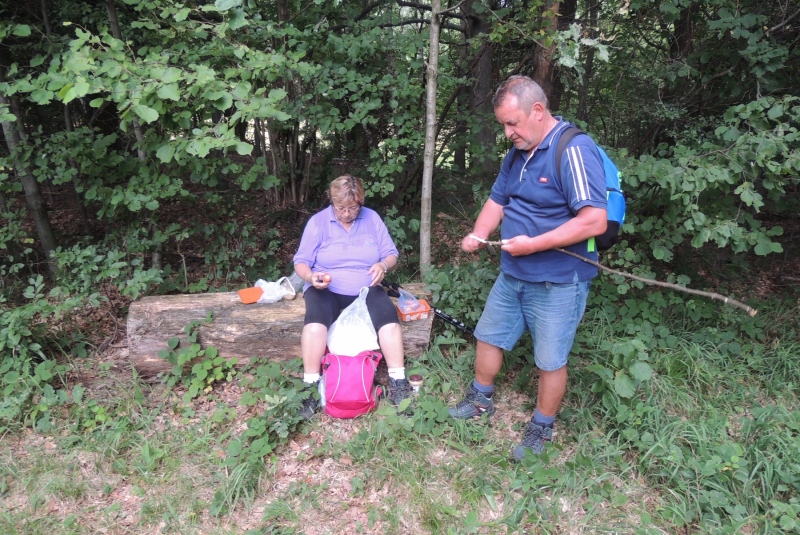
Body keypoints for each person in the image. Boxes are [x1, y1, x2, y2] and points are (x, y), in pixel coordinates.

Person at [449, 75, 608, 460]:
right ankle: (480, 401)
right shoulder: (519, 152)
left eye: (513, 123)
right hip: (513, 274)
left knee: (550, 360)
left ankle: (541, 428)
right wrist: (478, 232)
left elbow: (594, 221)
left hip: (558, 281)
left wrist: (533, 244)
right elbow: (497, 199)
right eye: (503, 124)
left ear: (538, 111)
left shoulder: (573, 150)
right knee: (489, 336)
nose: (507, 133)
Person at [293, 174, 412, 419]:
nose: (347, 213)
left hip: (367, 288)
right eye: (341, 208)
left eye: (353, 208)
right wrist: (311, 277)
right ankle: (310, 385)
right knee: (315, 325)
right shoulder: (318, 223)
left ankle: (398, 382)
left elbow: (390, 253)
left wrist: (382, 265)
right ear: (332, 201)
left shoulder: (372, 219)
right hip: (327, 289)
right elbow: (301, 262)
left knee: (389, 322)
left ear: (361, 203)